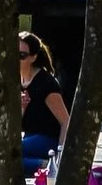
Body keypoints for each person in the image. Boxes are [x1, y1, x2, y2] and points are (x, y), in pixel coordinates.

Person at [19, 31, 69, 170]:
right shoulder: (16, 80)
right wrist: (22, 107)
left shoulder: (45, 83)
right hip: (28, 138)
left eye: (21, 56)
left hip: (47, 139)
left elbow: (65, 121)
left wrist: (61, 153)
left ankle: (48, 165)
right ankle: (42, 165)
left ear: (33, 57)